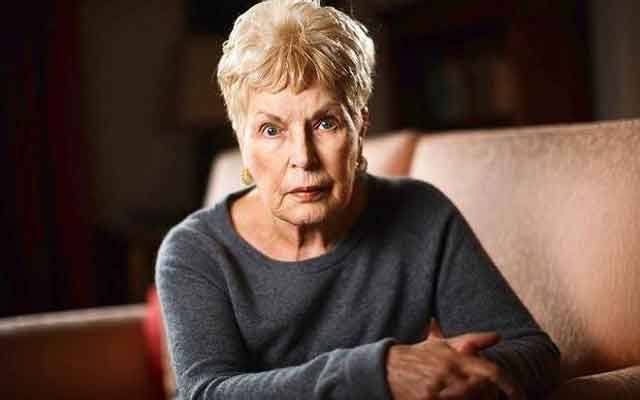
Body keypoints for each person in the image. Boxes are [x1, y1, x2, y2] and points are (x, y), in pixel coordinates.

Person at [155, 0, 560, 399]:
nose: (303, 157)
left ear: (360, 126)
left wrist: (452, 373)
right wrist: (377, 372)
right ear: (241, 140)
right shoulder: (195, 250)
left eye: (325, 123)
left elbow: (534, 353)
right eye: (271, 130)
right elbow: (205, 392)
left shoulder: (423, 215)